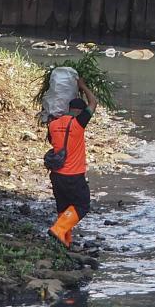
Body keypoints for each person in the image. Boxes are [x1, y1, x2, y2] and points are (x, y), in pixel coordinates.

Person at [47, 82, 98, 247]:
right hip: (73, 175)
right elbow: (93, 103)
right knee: (82, 205)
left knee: (64, 207)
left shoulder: (52, 124)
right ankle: (58, 229)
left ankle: (65, 242)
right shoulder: (78, 123)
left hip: (56, 175)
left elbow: (51, 141)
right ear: (79, 112)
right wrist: (83, 85)